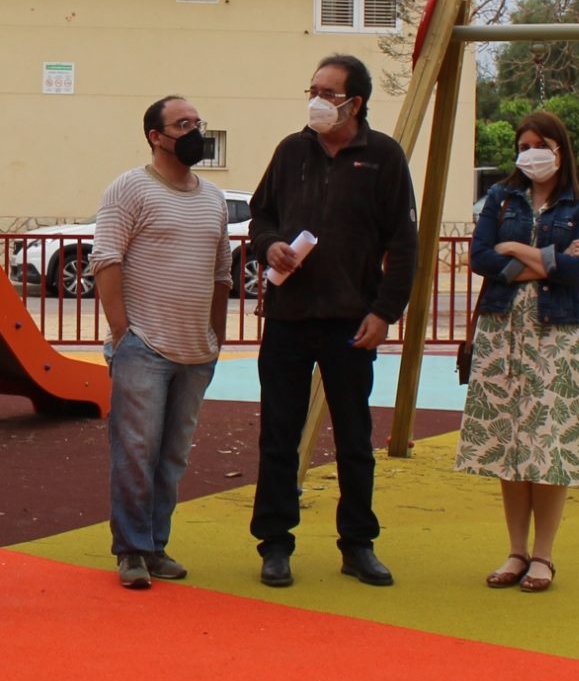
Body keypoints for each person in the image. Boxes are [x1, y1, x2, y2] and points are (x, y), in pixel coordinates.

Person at [245, 53, 419, 589]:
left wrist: (385, 312)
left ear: (355, 102)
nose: (316, 100)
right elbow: (260, 215)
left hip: (352, 323)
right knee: (279, 433)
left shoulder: (384, 157)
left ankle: (358, 544)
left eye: (328, 92)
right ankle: (275, 544)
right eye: (313, 88)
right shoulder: (291, 150)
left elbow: (404, 245)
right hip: (289, 317)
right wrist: (270, 245)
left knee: (354, 437)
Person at [457, 111, 579, 592]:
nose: (530, 153)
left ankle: (544, 556)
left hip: (554, 333)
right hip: (503, 330)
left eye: (539, 144)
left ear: (559, 149)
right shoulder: (501, 198)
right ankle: (516, 550)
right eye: (523, 145)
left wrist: (516, 248)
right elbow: (480, 255)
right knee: (510, 440)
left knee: (550, 439)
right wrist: (545, 259)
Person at [92, 95, 232, 590]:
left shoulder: (213, 198)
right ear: (156, 135)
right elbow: (105, 259)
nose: (195, 131)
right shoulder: (129, 189)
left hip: (197, 351)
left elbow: (221, 273)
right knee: (136, 450)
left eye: (198, 122)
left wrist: (215, 336)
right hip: (144, 347)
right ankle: (131, 549)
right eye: (183, 124)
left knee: (173, 455)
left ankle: (155, 545)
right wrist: (122, 333)